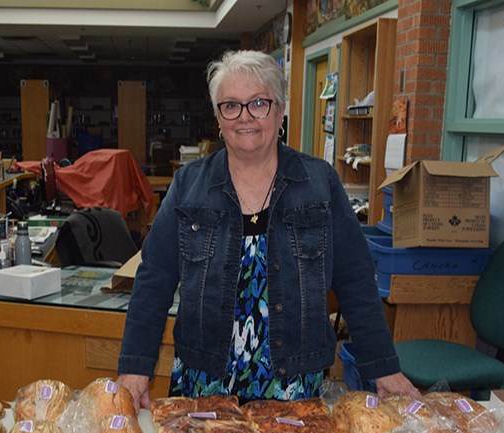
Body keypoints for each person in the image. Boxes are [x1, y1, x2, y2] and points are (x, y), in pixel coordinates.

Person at [117, 49, 419, 411]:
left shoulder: (320, 185)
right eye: (231, 105)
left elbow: (355, 280)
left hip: (295, 387)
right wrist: (135, 368)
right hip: (204, 385)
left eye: (258, 103)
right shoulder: (188, 187)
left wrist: (382, 367)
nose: (245, 117)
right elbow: (154, 280)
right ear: (218, 117)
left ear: (280, 110)